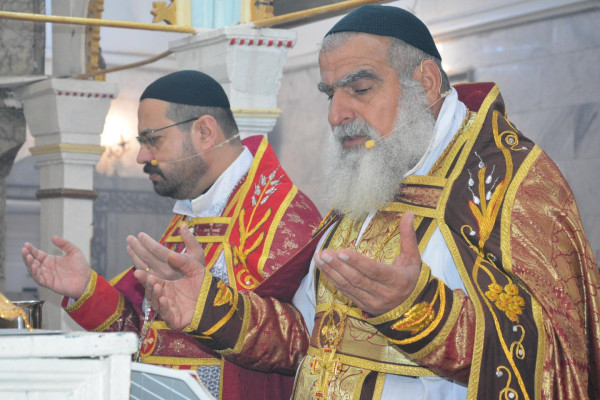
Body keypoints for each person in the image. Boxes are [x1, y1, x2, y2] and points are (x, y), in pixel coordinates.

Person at [135, 6, 600, 400]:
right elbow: (307, 338)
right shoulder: (372, 180)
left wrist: (420, 310)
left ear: (427, 82)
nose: (337, 115)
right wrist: (210, 307)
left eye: (360, 89)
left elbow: (557, 363)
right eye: (331, 94)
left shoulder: (508, 181)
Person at [21, 70, 323, 400]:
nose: (141, 156)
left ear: (205, 132)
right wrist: (86, 289)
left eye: (153, 139)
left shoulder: (283, 216)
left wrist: (207, 304)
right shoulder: (193, 211)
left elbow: (306, 344)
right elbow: (150, 336)